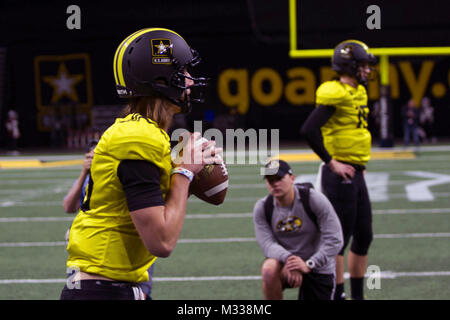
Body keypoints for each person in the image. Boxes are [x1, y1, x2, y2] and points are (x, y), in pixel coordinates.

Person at [60, 28, 220, 300]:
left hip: (116, 286)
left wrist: (181, 175)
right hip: (103, 289)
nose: (191, 81)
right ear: (160, 78)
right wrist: (183, 173)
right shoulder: (138, 137)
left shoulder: (144, 132)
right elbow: (161, 242)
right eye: (183, 72)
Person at [301, 40, 377, 300]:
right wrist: (332, 162)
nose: (367, 70)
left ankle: (357, 296)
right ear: (350, 65)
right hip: (338, 174)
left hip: (356, 171)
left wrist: (359, 164)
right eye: (364, 65)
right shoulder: (335, 92)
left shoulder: (358, 92)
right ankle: (338, 294)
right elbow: (309, 129)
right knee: (338, 239)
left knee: (364, 235)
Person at [253, 160, 343, 300]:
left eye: (279, 178)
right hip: (286, 264)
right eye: (270, 180)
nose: (275, 184)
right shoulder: (263, 207)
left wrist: (309, 264)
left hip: (317, 265)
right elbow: (267, 245)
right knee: (269, 270)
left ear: (292, 178)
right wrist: (290, 260)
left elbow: (335, 239)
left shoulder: (314, 199)